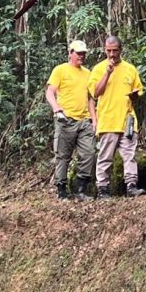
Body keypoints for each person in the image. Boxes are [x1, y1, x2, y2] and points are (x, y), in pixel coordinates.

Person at [89, 36, 145, 197]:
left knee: (129, 155)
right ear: (105, 50)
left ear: (121, 50)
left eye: (115, 51)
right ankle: (102, 189)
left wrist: (135, 96)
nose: (112, 54)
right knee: (105, 156)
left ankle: (131, 185)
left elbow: (138, 92)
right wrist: (107, 73)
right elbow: (95, 92)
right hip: (108, 120)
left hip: (127, 120)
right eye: (109, 51)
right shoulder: (99, 69)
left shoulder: (130, 69)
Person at [45, 40, 95, 199]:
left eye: (83, 53)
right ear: (70, 53)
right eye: (78, 53)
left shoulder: (88, 73)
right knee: (63, 156)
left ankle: (80, 190)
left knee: (89, 153)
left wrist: (94, 118)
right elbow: (49, 92)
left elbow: (90, 98)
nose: (82, 56)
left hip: (84, 120)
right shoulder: (60, 70)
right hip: (66, 120)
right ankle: (61, 191)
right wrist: (56, 107)